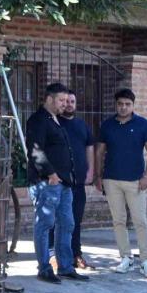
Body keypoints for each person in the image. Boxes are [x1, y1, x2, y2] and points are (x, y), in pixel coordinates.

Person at [26, 82, 89, 284]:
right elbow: (35, 150)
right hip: (48, 183)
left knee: (67, 224)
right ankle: (44, 268)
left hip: (65, 183)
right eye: (61, 100)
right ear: (50, 99)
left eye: (66, 100)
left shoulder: (56, 120)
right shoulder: (38, 120)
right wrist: (51, 174)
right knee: (45, 225)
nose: (64, 104)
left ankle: (65, 266)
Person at [95, 88, 147, 278]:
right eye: (120, 104)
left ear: (133, 105)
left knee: (140, 221)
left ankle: (146, 260)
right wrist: (98, 176)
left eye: (127, 104)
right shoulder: (107, 125)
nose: (123, 108)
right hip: (112, 179)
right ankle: (125, 258)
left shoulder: (142, 124)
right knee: (118, 221)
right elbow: (99, 152)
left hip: (135, 181)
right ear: (116, 105)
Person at [49, 90, 95, 270]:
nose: (68, 104)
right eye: (65, 101)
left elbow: (89, 148)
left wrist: (91, 171)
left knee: (75, 219)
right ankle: (53, 256)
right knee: (54, 220)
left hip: (77, 183)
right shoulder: (54, 123)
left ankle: (76, 254)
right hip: (58, 182)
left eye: (72, 101)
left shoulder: (82, 125)